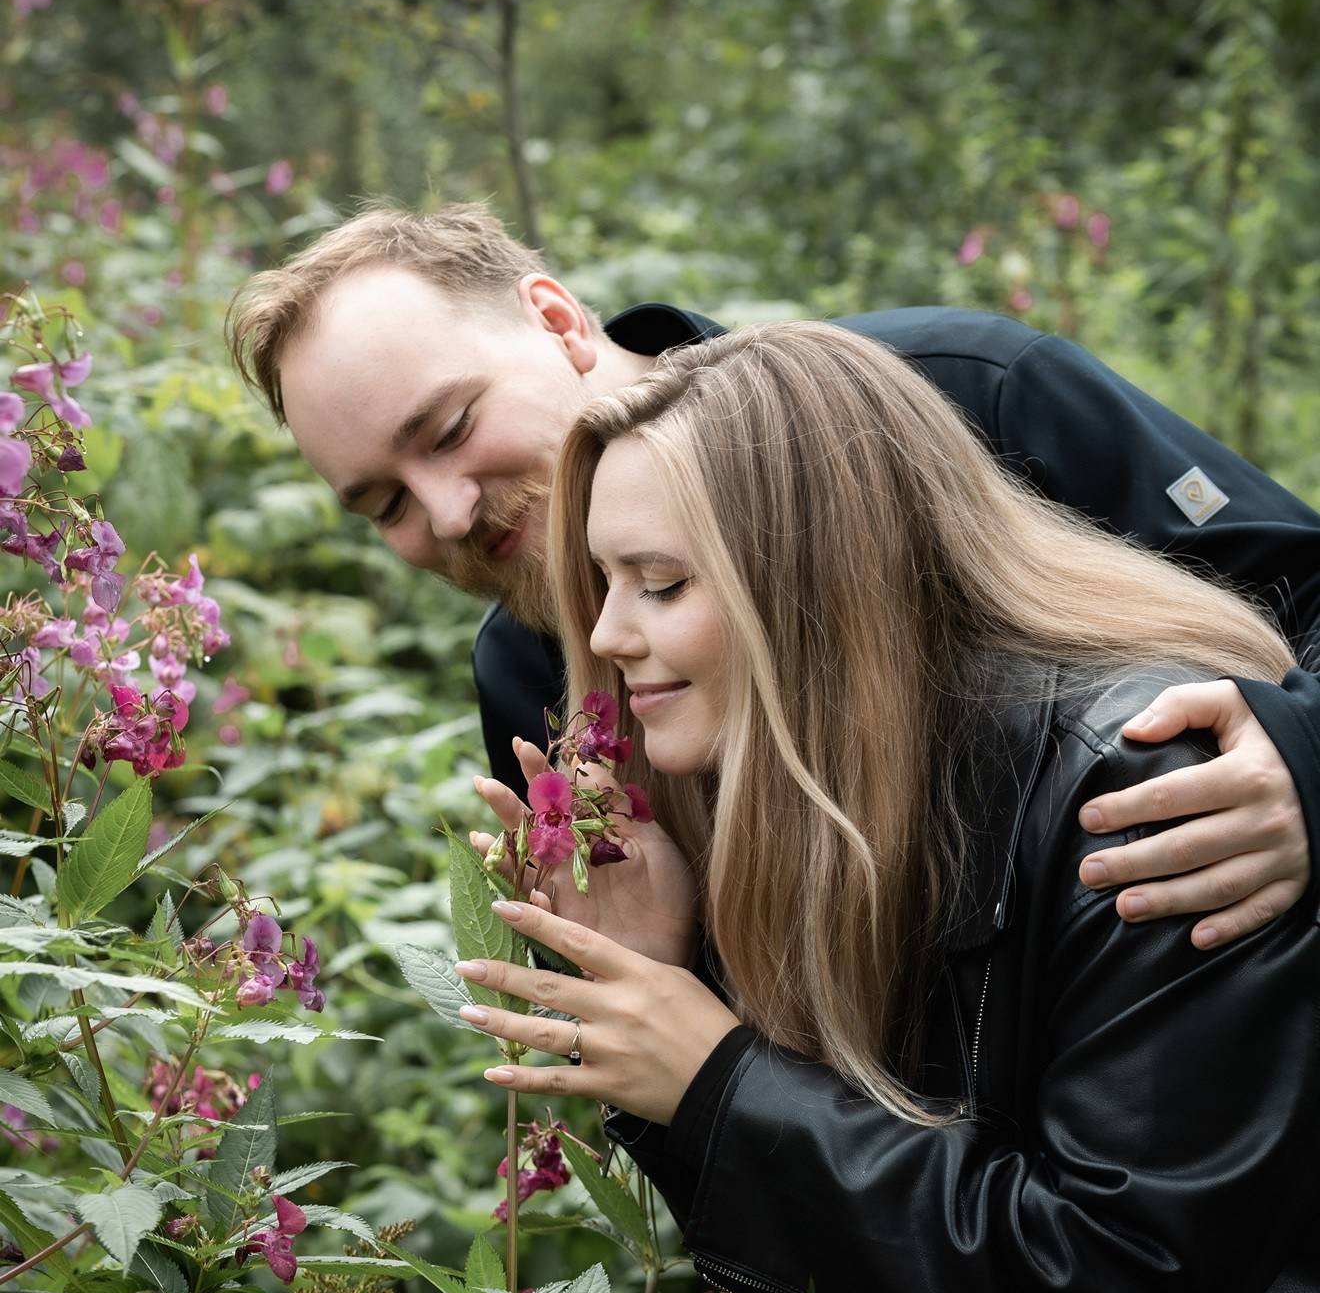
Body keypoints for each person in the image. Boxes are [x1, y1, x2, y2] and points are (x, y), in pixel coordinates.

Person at [455, 323, 1320, 1293]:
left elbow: (1112, 1277)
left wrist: (719, 1084)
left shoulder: (1137, 796)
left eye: (660, 582)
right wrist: (663, 993)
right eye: (601, 584)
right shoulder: (793, 803)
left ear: (817, 578)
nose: (609, 636)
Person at [225, 203, 1319, 947]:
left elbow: (1299, 591)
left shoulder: (961, 396)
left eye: (452, 425)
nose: (449, 509)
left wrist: (1308, 768)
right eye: (385, 505)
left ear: (556, 320)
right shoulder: (530, 680)